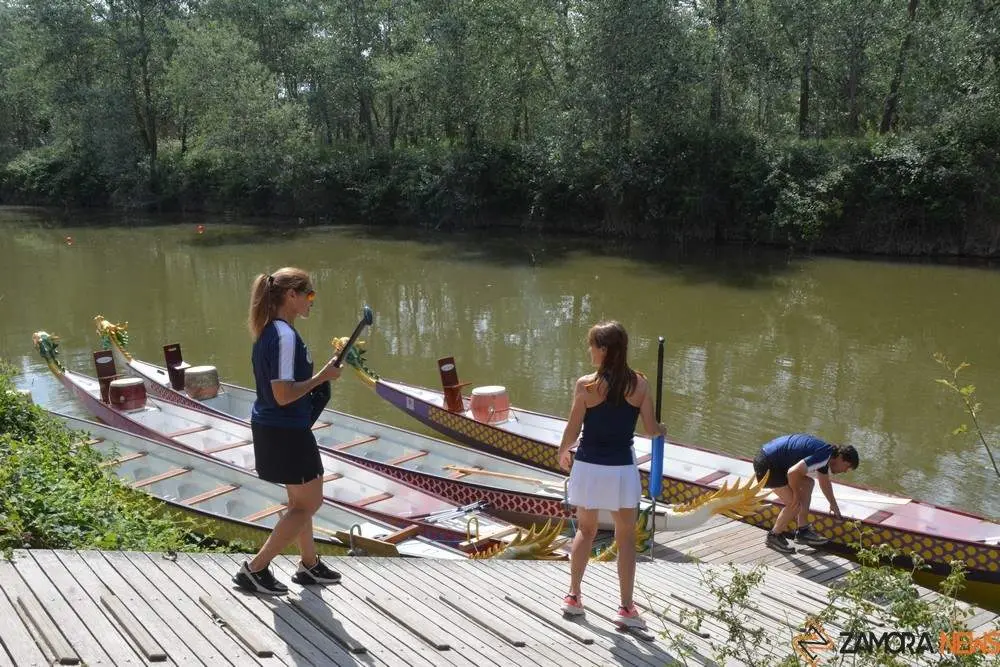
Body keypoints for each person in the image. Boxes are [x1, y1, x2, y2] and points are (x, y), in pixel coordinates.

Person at [233, 267, 344, 595]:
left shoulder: (272, 331)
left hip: (276, 427)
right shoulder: (282, 335)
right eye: (308, 294)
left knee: (299, 501)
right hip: (286, 430)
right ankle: (255, 569)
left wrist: (319, 378)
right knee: (308, 504)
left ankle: (308, 565)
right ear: (290, 295)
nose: (312, 301)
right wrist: (322, 377)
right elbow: (282, 394)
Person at [557, 321, 665, 630]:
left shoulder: (586, 386)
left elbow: (573, 427)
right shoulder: (640, 385)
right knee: (626, 536)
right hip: (620, 468)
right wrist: (662, 430)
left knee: (585, 531)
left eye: (592, 345)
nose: (589, 350)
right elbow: (651, 429)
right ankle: (625, 608)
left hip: (589, 466)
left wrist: (563, 450)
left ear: (604, 350)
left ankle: (574, 597)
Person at [752, 433, 860, 554]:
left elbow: (824, 482)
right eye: (847, 467)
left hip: (774, 462)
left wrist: (833, 504)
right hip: (767, 465)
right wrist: (797, 495)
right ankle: (773, 536)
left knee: (808, 483)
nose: (845, 471)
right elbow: (793, 473)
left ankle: (803, 530)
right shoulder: (824, 456)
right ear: (840, 458)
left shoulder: (826, 454)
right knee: (795, 504)